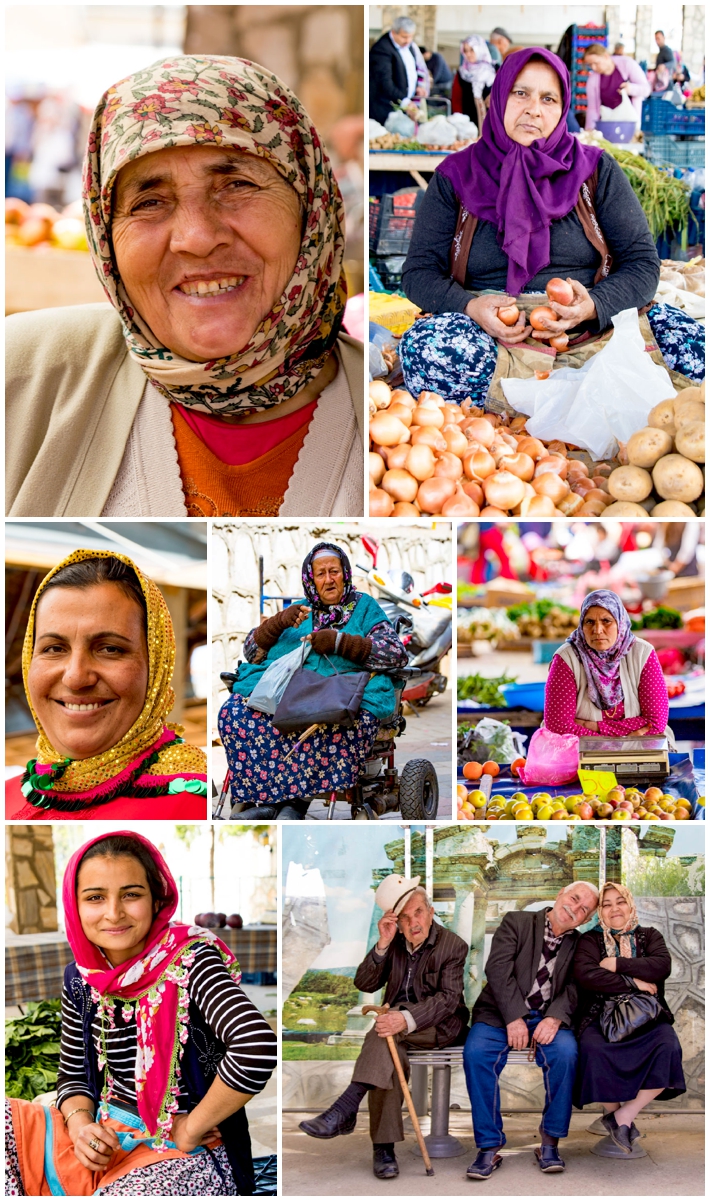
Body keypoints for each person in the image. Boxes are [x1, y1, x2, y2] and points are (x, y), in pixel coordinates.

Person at [6, 55, 363, 519]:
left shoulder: (388, 404)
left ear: (310, 209)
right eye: (149, 201)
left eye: (235, 184)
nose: (195, 238)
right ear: (103, 232)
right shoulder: (22, 377)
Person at [399, 47, 705, 405]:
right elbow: (418, 273)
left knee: (696, 350)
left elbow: (641, 262)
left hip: (590, 329)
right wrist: (470, 308)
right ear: (499, 97)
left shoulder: (595, 170)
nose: (534, 109)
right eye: (521, 93)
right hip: (489, 332)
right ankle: (579, 396)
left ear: (561, 110)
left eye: (548, 98)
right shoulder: (456, 175)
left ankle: (541, 398)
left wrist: (592, 306)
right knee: (429, 349)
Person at [5, 831, 277, 1195]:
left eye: (131, 894)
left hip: (186, 1147)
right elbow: (72, 1076)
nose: (113, 913)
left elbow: (255, 1045)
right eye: (95, 897)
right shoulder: (82, 977)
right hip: (106, 1132)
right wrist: (81, 1126)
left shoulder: (190, 959)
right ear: (75, 905)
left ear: (155, 900)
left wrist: (192, 1127)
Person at [5, 551, 208, 821]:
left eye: (110, 649)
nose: (75, 678)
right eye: (54, 648)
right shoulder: (9, 796)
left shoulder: (198, 803)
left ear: (157, 665)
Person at [218, 542, 408, 819]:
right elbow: (251, 654)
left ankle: (295, 803)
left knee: (339, 722)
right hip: (292, 692)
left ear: (345, 574)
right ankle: (265, 801)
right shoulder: (300, 612)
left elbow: (395, 654)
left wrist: (340, 642)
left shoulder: (364, 607)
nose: (329, 579)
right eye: (321, 574)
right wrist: (277, 623)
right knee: (233, 712)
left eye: (334, 571)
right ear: (310, 580)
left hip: (342, 692)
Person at [299, 875, 469, 1180]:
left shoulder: (452, 945)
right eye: (404, 918)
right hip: (396, 1027)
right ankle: (382, 1148)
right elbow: (365, 982)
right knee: (386, 1048)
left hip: (439, 1025)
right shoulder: (394, 944)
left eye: (418, 912)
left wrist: (404, 1018)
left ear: (430, 912)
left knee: (385, 1030)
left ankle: (351, 1114)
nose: (413, 922)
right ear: (396, 922)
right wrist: (382, 944)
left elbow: (447, 1000)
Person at [463, 881, 599, 1179]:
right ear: (561, 893)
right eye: (574, 898)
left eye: (583, 909)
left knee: (566, 1053)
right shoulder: (517, 921)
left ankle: (550, 1141)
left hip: (549, 1016)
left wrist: (555, 1018)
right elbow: (498, 968)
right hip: (501, 1013)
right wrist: (514, 1017)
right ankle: (489, 1145)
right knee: (476, 1053)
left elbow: (578, 986)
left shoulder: (581, 944)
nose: (574, 908)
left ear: (587, 919)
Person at [573, 882, 685, 1152]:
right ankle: (620, 1120)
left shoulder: (649, 935)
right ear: (600, 911)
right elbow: (587, 975)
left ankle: (623, 1117)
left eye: (620, 901)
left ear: (630, 904)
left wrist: (616, 964)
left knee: (667, 1046)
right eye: (607, 904)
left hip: (646, 1018)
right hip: (600, 1016)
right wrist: (635, 982)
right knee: (592, 1049)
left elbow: (661, 966)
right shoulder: (590, 940)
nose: (614, 909)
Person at [544, 589, 671, 740]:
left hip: (638, 749)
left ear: (620, 622)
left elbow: (655, 723)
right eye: (589, 622)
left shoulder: (643, 653)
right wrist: (618, 743)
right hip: (578, 753)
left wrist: (595, 727)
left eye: (606, 621)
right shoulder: (566, 658)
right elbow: (558, 725)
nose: (597, 630)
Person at [369, 17, 426, 127]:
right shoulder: (381, 49)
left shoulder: (409, 47)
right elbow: (384, 82)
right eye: (404, 37)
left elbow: (412, 71)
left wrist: (418, 87)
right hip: (385, 109)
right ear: (394, 32)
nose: (408, 40)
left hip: (403, 106)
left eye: (411, 37)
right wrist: (406, 103)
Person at [583, 43, 651, 128]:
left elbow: (646, 89)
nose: (593, 67)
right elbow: (592, 109)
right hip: (606, 124)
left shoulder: (627, 64)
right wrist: (589, 130)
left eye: (596, 63)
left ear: (606, 56)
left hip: (629, 123)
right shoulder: (592, 80)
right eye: (590, 64)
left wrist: (631, 89)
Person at [451, 35, 496, 130]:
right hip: (469, 124)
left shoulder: (494, 70)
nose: (468, 54)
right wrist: (459, 121)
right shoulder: (462, 73)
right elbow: (456, 99)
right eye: (465, 50)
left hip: (493, 121)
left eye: (472, 50)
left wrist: (494, 94)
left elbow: (507, 89)